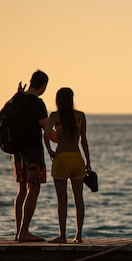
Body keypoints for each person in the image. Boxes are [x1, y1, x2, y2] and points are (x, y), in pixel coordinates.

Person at [44, 87, 91, 243]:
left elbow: (45, 134)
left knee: (62, 199)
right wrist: (88, 161)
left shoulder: (55, 116)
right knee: (79, 198)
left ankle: (63, 235)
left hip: (62, 159)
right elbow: (83, 140)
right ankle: (78, 235)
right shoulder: (80, 116)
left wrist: (50, 150)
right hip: (77, 158)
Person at [13, 70, 49, 242]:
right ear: (43, 86)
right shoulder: (37, 104)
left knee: (21, 191)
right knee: (34, 188)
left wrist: (18, 93)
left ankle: (18, 232)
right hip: (33, 152)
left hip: (17, 153)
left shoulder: (17, 99)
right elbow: (47, 129)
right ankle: (24, 232)